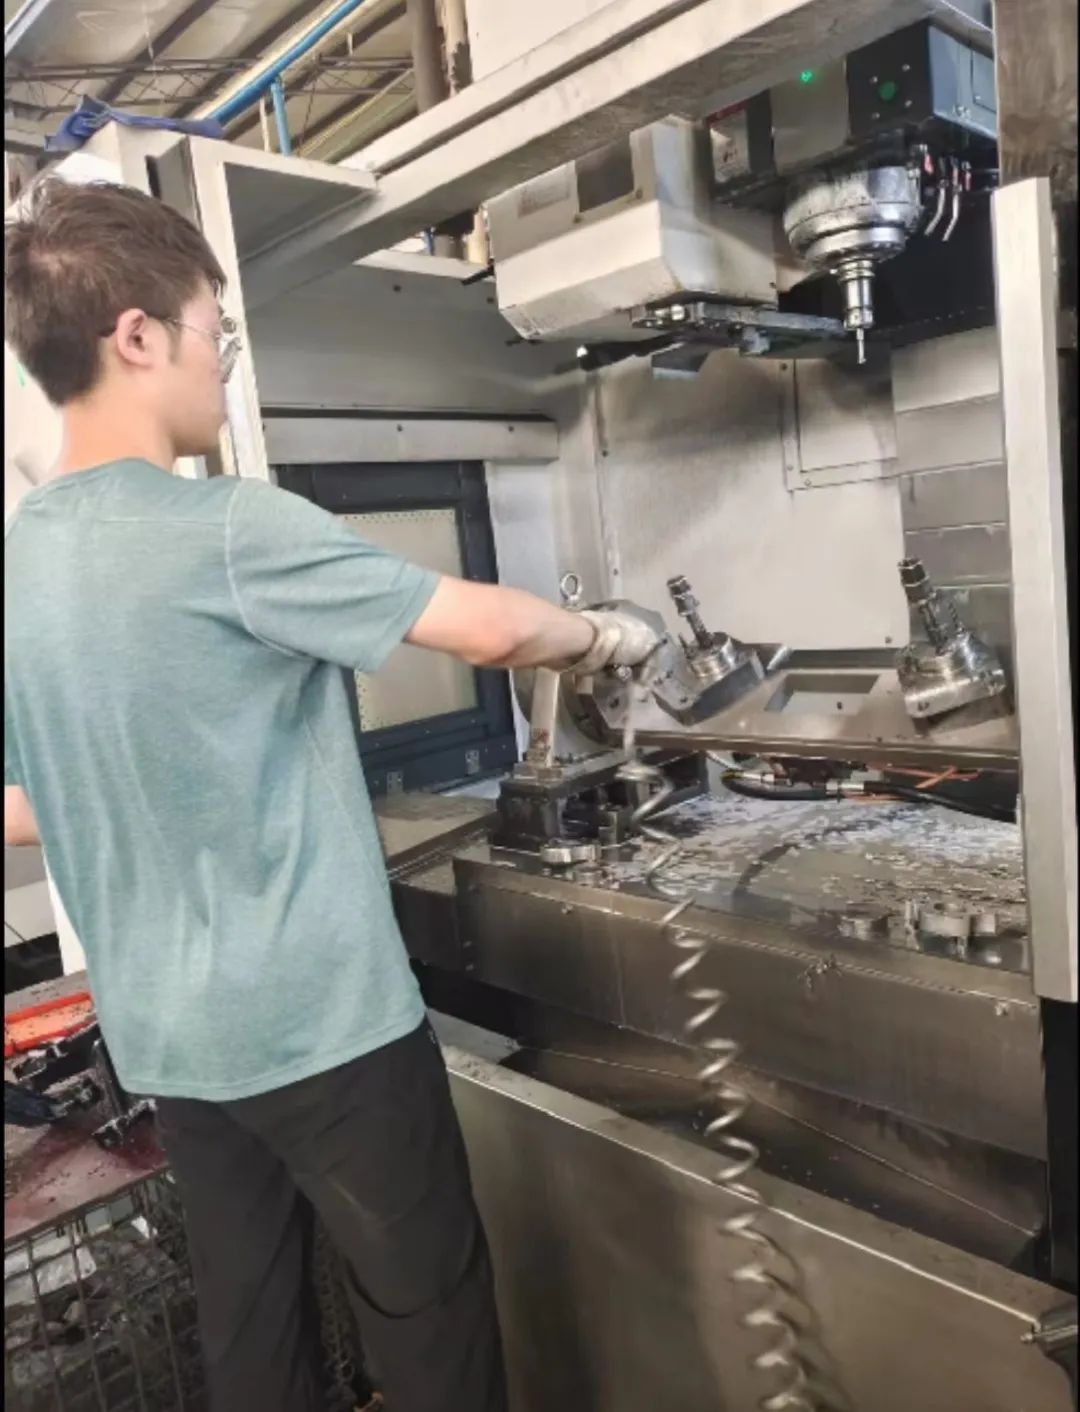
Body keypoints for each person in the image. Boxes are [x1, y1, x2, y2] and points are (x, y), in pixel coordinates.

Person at [3, 177, 657, 1412]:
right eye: (215, 333)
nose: (223, 365)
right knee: (426, 1320)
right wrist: (606, 634)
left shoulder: (20, 561)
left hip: (172, 1042)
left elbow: (17, 803)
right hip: (324, 1029)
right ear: (136, 335)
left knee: (252, 1325)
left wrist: (130, 793)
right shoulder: (225, 527)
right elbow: (490, 628)